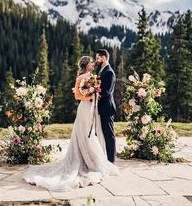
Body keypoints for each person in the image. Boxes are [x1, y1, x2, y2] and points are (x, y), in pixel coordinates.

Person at [22, 55, 119, 191]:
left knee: (90, 134)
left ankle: (91, 159)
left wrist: (94, 91)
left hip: (91, 109)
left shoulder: (92, 76)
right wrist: (92, 93)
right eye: (91, 62)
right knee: (85, 134)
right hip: (85, 108)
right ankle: (85, 161)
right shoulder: (81, 78)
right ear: (86, 65)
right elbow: (78, 95)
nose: (93, 64)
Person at [95, 49, 116, 163]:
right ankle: (105, 158)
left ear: (103, 58)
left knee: (109, 134)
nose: (97, 60)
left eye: (98, 57)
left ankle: (111, 160)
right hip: (101, 107)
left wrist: (94, 94)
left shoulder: (109, 72)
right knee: (102, 133)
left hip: (107, 108)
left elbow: (107, 91)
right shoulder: (102, 70)